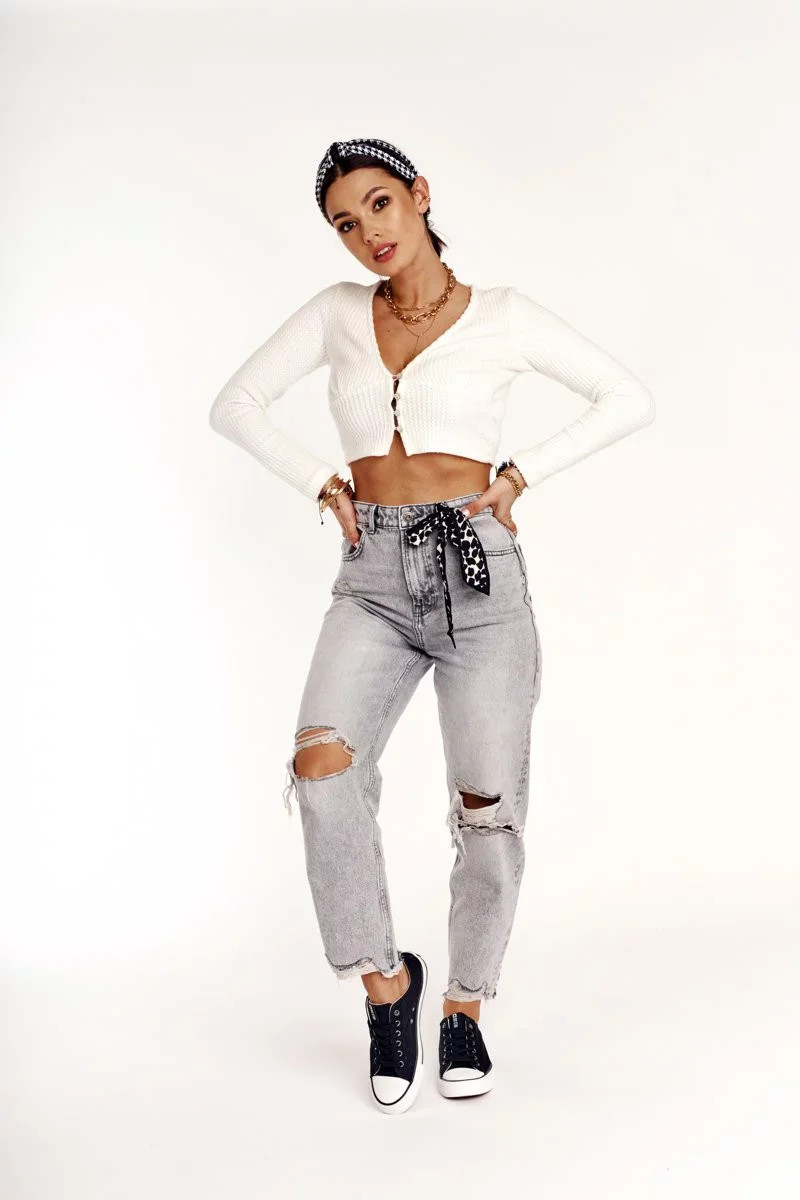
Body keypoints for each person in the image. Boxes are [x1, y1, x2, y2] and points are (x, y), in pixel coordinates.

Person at [209, 137, 655, 1114]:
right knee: (322, 773)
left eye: (378, 204)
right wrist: (319, 480)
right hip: (370, 574)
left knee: (486, 812)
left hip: (477, 575)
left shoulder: (503, 315)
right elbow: (234, 404)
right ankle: (387, 988)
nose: (366, 231)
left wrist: (521, 474)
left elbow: (627, 396)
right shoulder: (336, 313)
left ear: (417, 196)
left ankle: (464, 1006)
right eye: (344, 221)